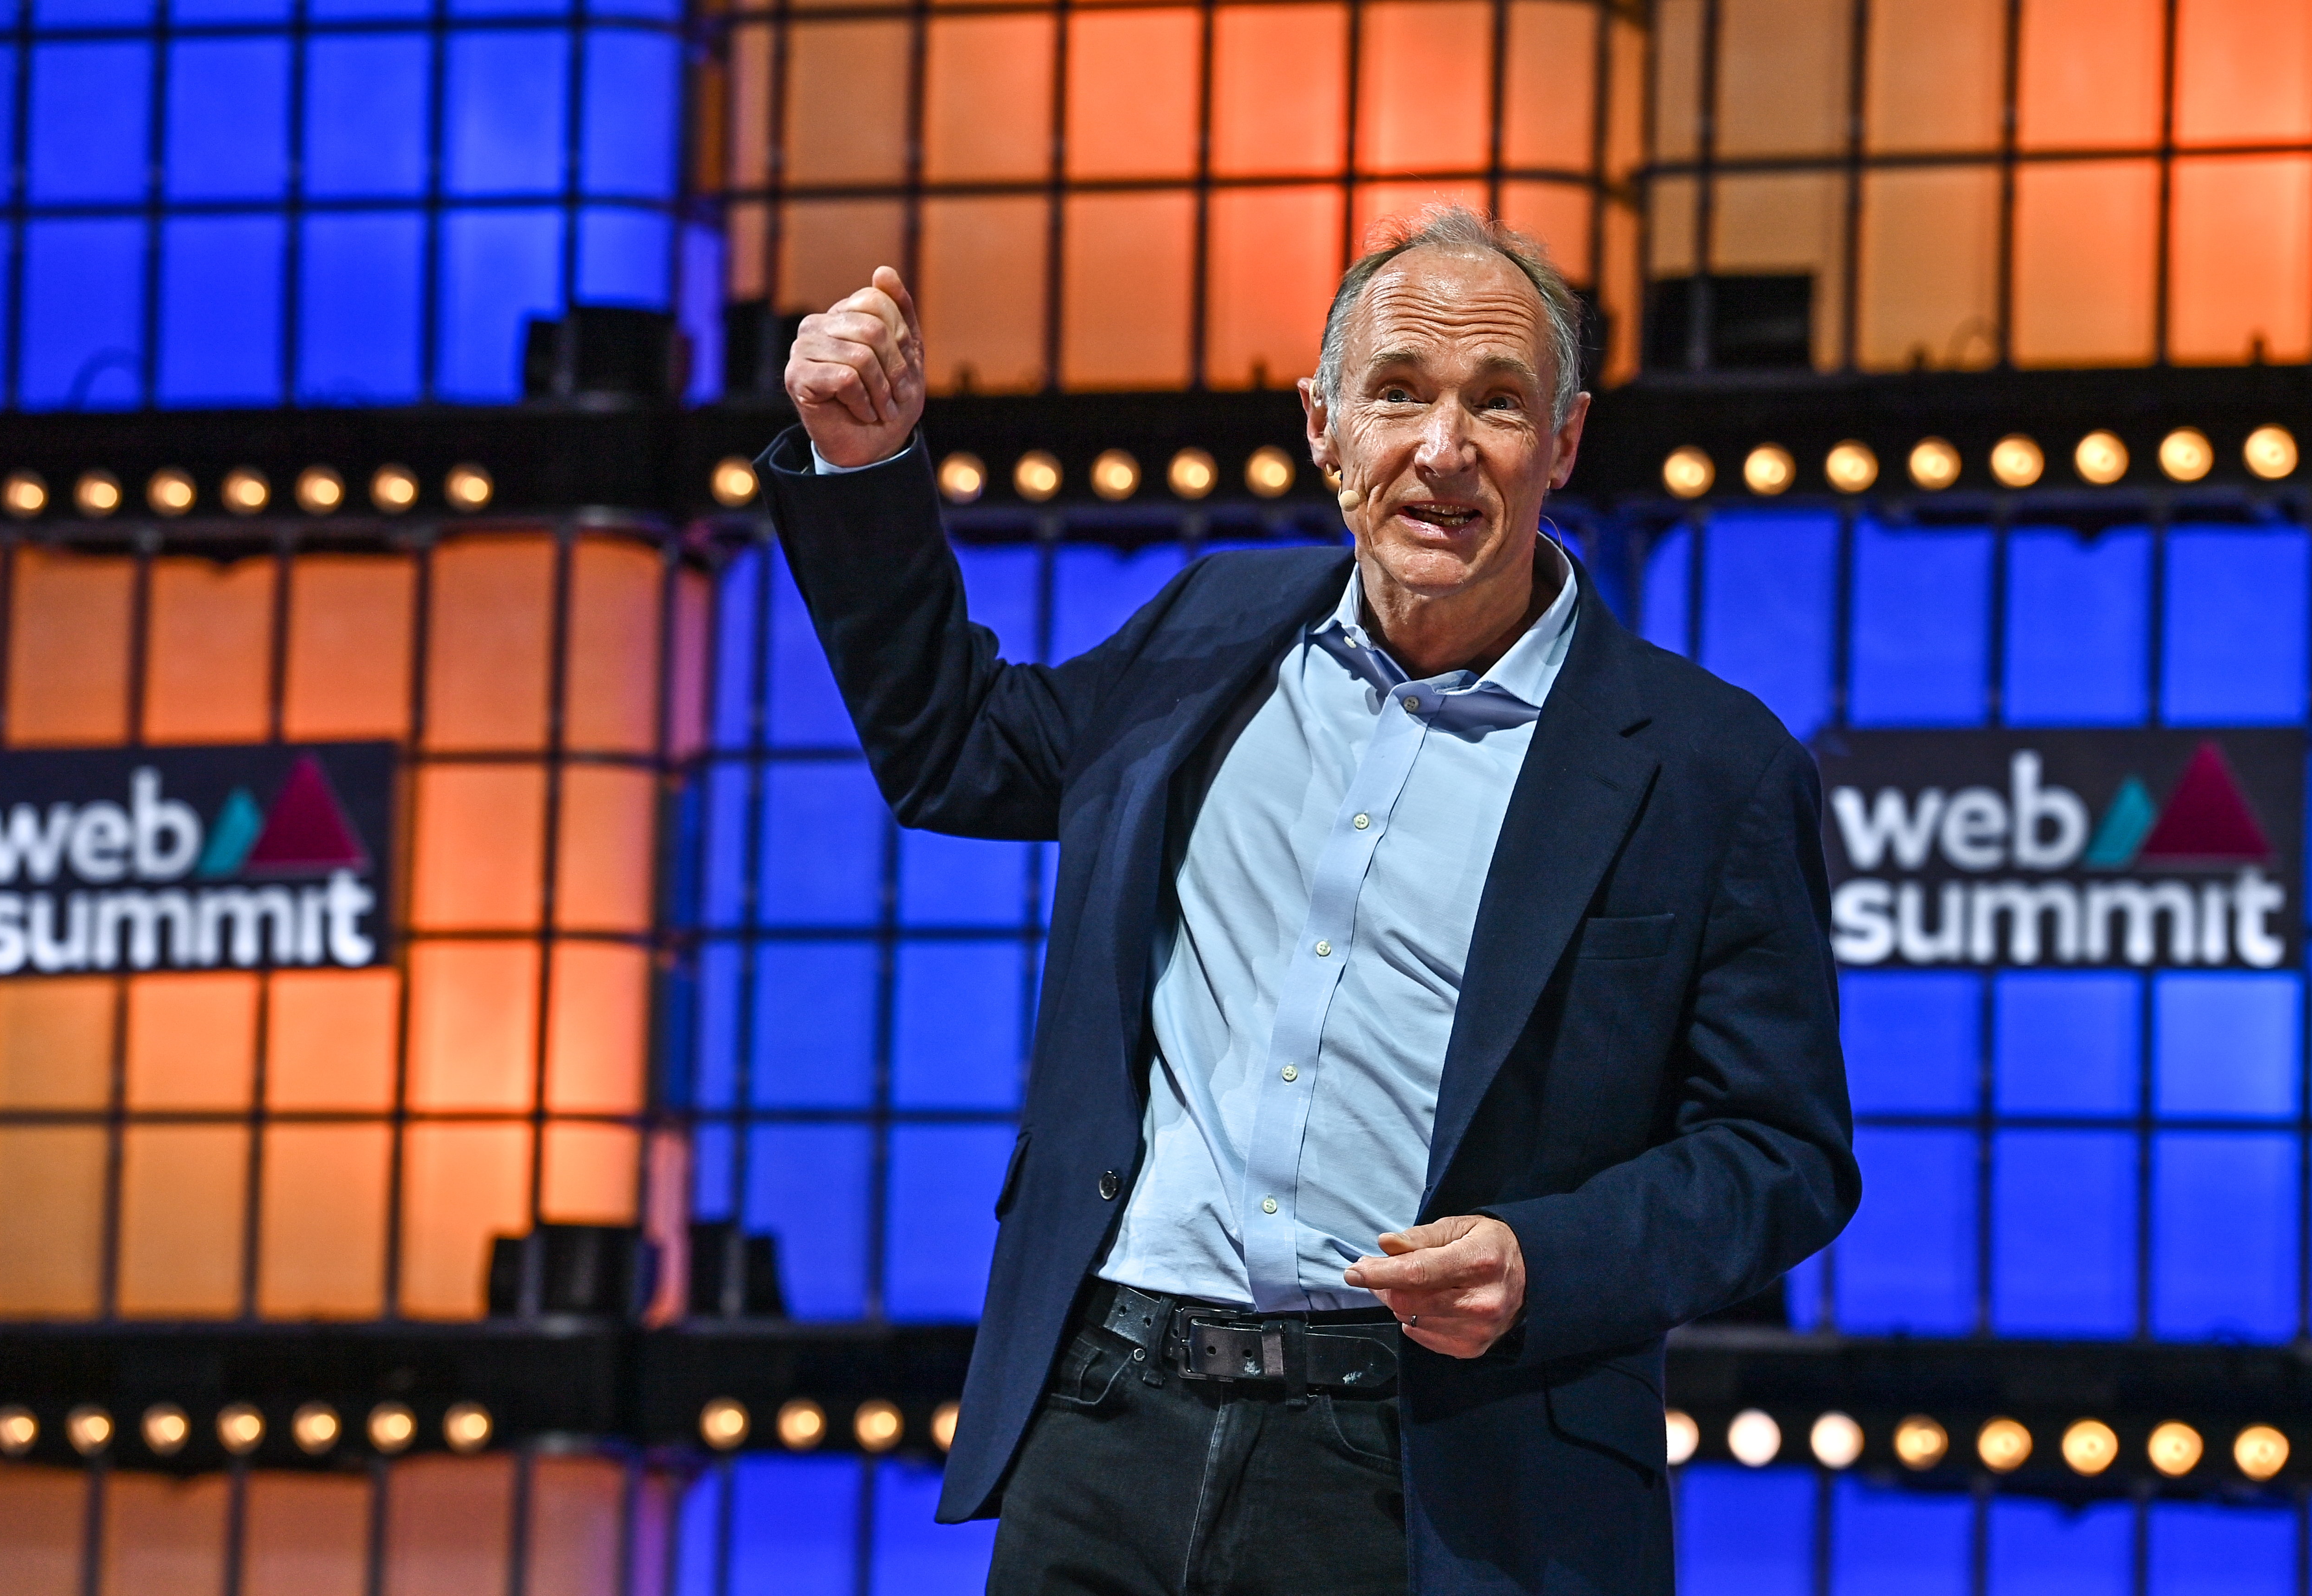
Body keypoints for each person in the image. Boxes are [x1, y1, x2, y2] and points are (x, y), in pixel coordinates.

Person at [764, 207, 1858, 1595]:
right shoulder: (1210, 625)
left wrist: (1543, 1258)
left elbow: (1780, 1151)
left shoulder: (1708, 761)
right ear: (1324, 425)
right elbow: (957, 748)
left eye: (1499, 403)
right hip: (1108, 1415)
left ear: (1566, 443)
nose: (1444, 449)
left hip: (1430, 1461)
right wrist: (866, 469)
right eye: (1398, 390)